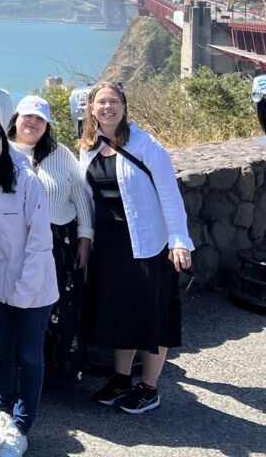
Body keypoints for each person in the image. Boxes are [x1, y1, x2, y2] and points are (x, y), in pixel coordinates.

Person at [80, 81, 193, 416]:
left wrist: (178, 240)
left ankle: (149, 388)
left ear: (124, 106)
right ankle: (121, 379)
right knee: (120, 315)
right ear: (91, 109)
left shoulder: (146, 144)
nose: (107, 108)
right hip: (109, 247)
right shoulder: (88, 147)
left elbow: (170, 195)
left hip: (147, 244)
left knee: (152, 317)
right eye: (101, 102)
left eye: (114, 101)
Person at [0, 116, 57, 457]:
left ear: (3, 140)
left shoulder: (26, 181)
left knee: (30, 354)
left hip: (35, 283)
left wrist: (24, 290)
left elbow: (39, 240)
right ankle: (4, 413)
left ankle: (21, 425)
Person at [6, 95, 92, 384]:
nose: (32, 122)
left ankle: (59, 372)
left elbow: (81, 195)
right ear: (15, 118)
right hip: (17, 241)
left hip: (60, 241)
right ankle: (20, 371)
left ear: (47, 125)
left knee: (61, 308)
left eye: (40, 118)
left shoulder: (60, 153)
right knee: (20, 307)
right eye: (28, 116)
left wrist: (85, 238)